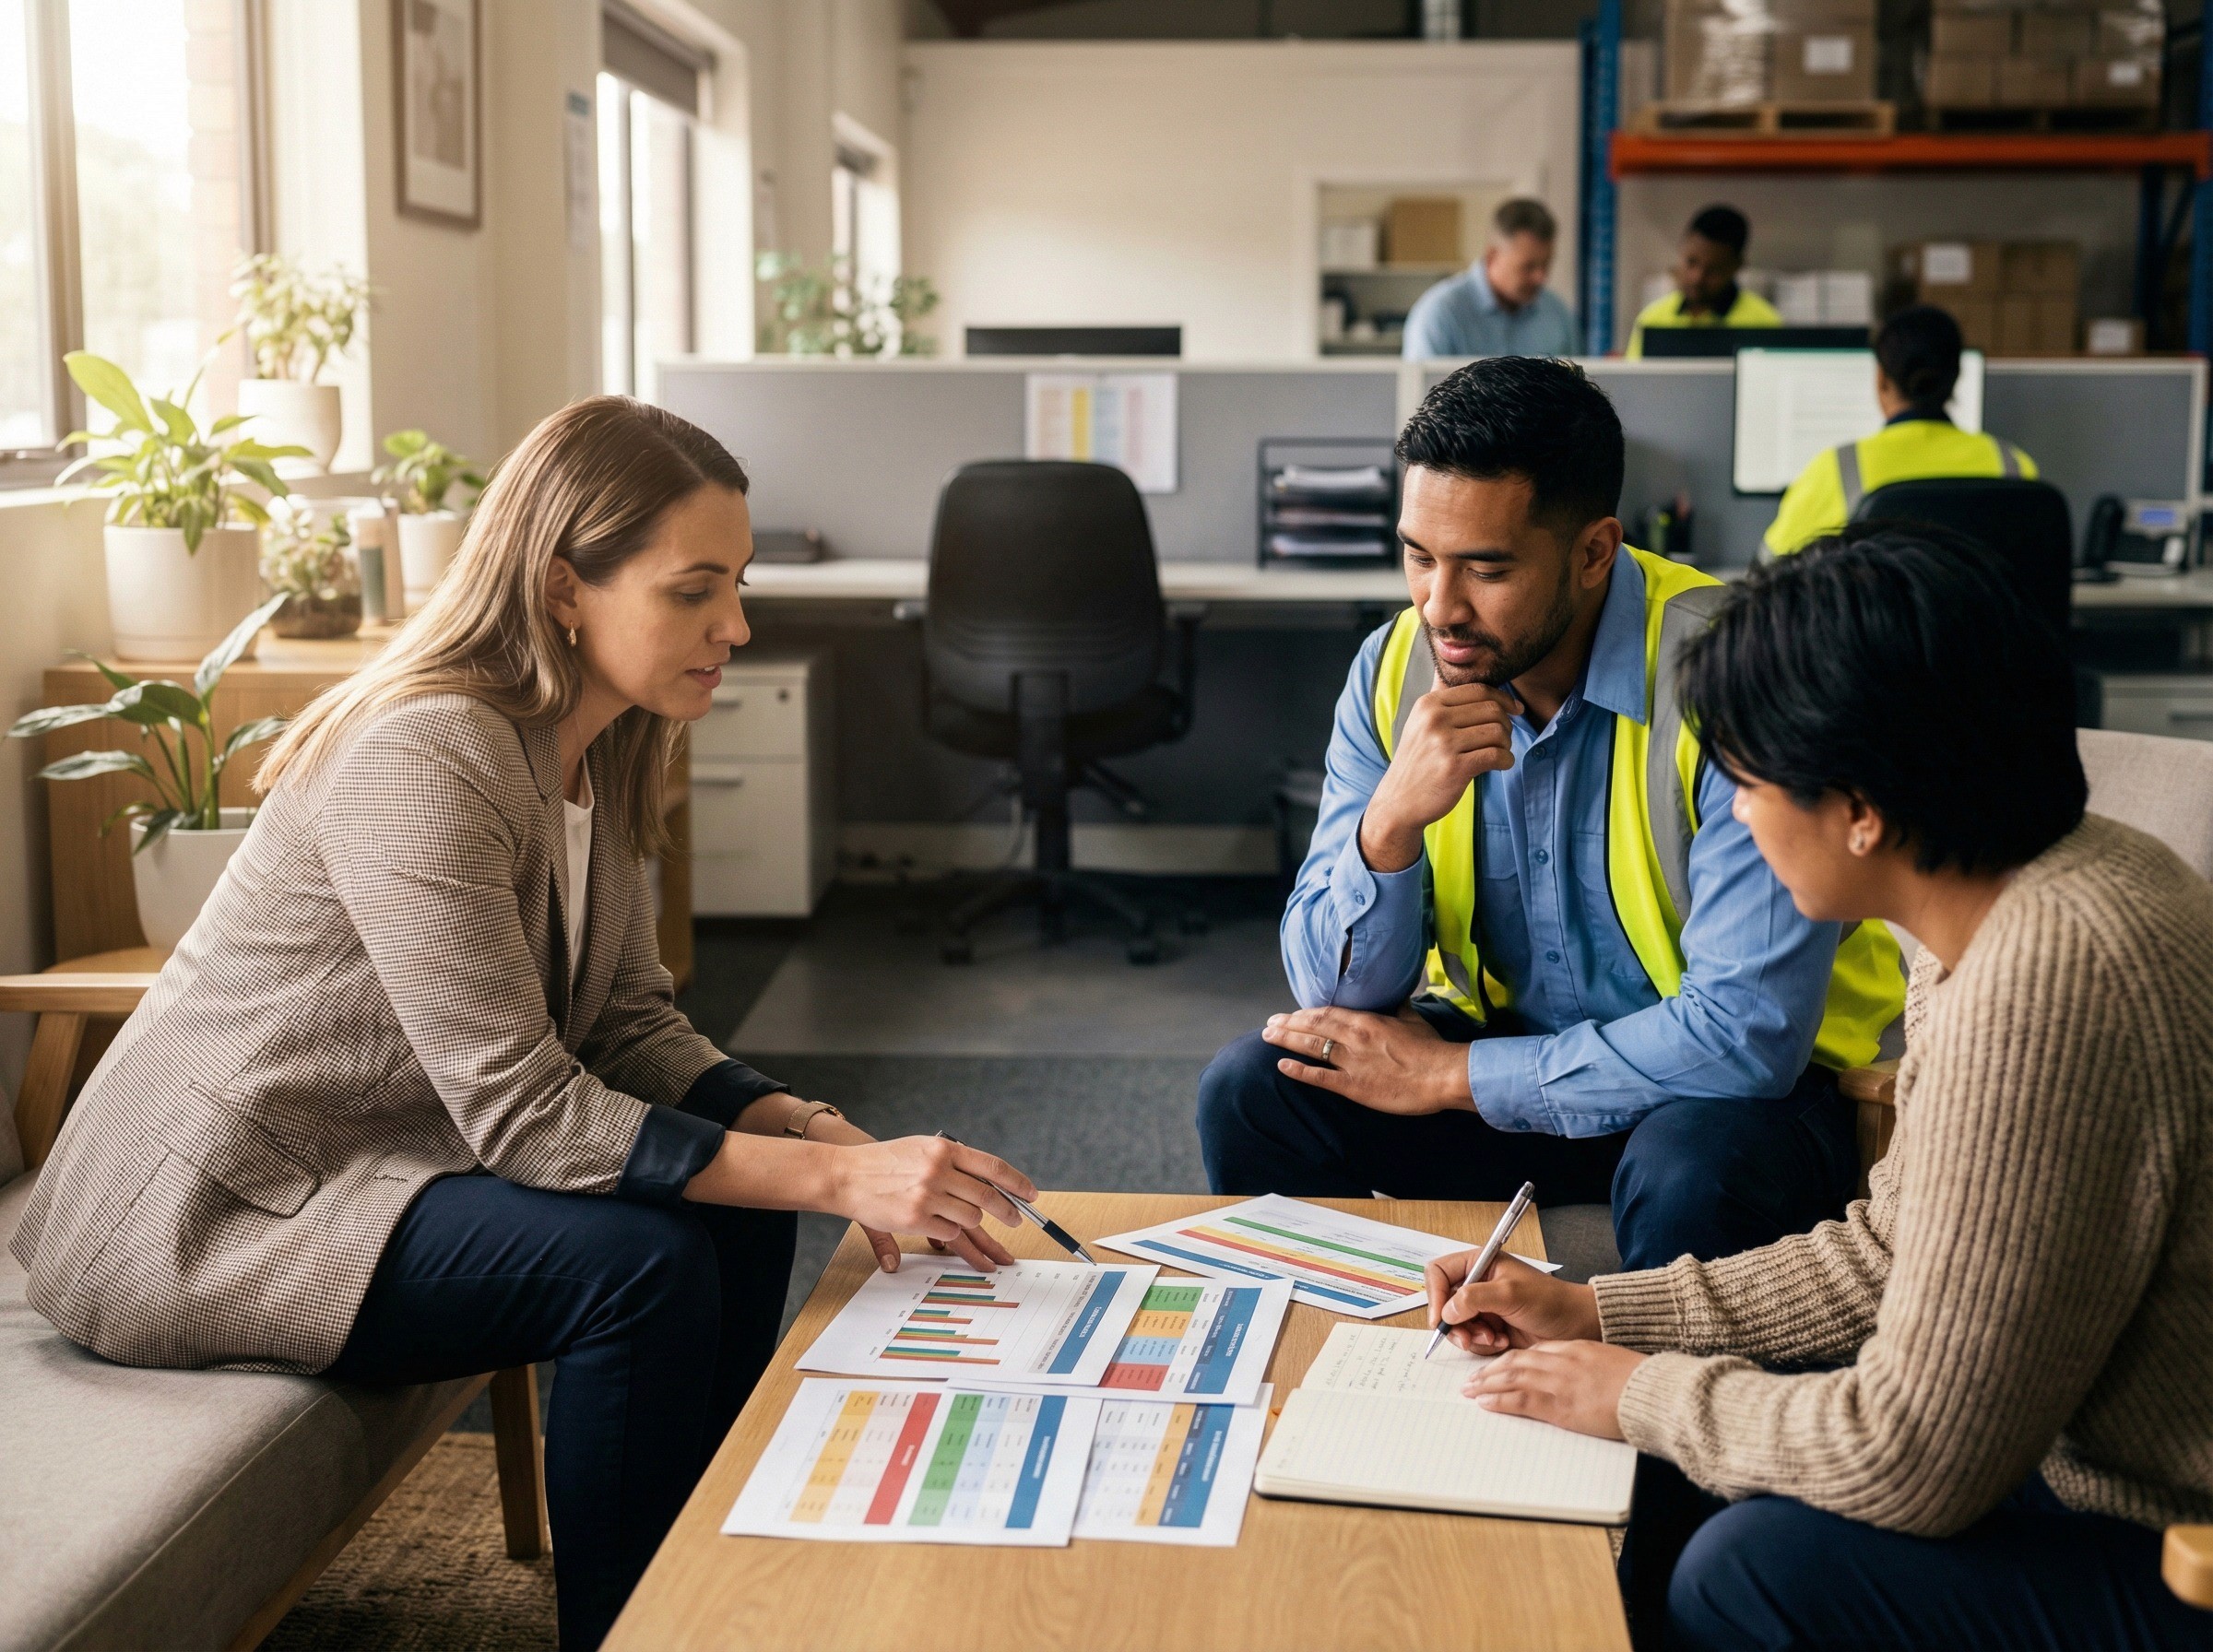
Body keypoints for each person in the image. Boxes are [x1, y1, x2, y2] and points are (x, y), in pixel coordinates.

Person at [8, 396, 1042, 1650]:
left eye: (741, 585)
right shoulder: (428, 754)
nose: (738, 627)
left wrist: (814, 1132)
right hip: (207, 1214)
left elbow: (622, 1020)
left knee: (744, 1213)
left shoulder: (596, 752)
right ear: (565, 587)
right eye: (694, 592)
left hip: (366, 1165)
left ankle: (690, 1586)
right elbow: (523, 1113)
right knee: (639, 1270)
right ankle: (631, 1632)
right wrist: (838, 1176)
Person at [1428, 527, 2213, 1652]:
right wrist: (1596, 1310)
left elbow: (1911, 1457)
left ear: (1862, 808)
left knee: (1753, 1571)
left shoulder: (2048, 978)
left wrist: (1637, 1392)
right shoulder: (2000, 897)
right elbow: (1897, 1247)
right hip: (2068, 1458)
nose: (1737, 817)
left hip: (2176, 1548)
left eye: (1747, 779)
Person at [1195, 358, 1904, 1272]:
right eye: (1418, 555)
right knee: (1255, 1088)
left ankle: (1661, 1410)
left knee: (1694, 1168)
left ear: (1594, 552)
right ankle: (1330, 1384)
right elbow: (1327, 992)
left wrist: (1453, 1078)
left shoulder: (1736, 671)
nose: (1438, 605)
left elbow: (1747, 1035)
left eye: (1485, 568)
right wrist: (1390, 827)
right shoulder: (1394, 665)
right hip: (1508, 1074)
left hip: (1723, 1098)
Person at [1762, 303, 2037, 559]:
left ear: (1881, 379)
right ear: (1956, 376)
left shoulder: (1838, 469)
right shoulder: (2013, 466)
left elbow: (1768, 567)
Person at [1402, 197, 1580, 360]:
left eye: (1546, 264)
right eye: (1528, 267)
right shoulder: (1439, 314)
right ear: (1493, 256)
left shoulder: (1558, 314)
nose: (1540, 278)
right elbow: (1422, 393)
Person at [1625, 205, 1780, 359]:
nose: (1697, 278)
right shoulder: (1652, 319)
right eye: (1691, 262)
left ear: (1737, 266)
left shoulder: (1765, 323)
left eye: (1713, 270)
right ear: (1681, 250)